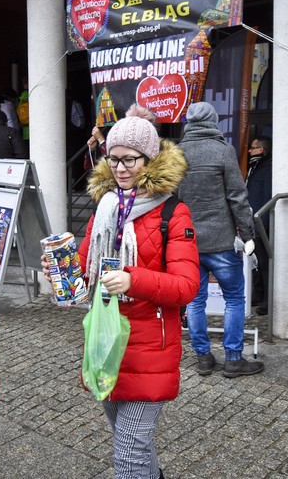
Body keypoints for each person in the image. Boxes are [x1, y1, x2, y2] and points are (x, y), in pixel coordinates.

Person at [44, 115, 199, 479]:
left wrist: (132, 279)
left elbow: (186, 286)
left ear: (149, 158)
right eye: (113, 158)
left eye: (130, 159)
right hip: (107, 342)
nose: (120, 168)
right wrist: (62, 271)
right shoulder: (105, 207)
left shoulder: (173, 212)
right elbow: (86, 271)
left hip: (151, 348)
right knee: (133, 442)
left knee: (129, 451)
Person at [178, 101, 263, 378]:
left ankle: (203, 358)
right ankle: (234, 359)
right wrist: (248, 235)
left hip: (187, 241)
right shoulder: (223, 150)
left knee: (195, 301)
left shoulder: (177, 153)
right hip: (221, 240)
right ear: (213, 121)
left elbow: (170, 199)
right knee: (235, 299)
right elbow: (238, 197)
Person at [246, 137, 273, 316]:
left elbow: (266, 197)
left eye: (252, 148)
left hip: (261, 223)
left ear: (261, 149)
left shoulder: (268, 169)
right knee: (254, 261)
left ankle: (267, 300)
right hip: (252, 221)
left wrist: (262, 223)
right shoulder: (255, 167)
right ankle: (258, 294)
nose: (249, 151)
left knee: (264, 263)